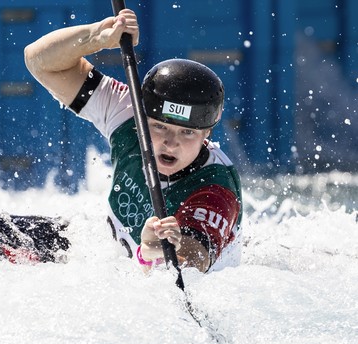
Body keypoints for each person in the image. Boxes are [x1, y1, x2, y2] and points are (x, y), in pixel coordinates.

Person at [24, 8, 242, 273]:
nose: (170, 143)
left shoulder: (217, 190)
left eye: (187, 133)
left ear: (207, 132)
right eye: (160, 127)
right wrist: (98, 38)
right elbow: (39, 61)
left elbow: (193, 263)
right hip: (100, 255)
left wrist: (152, 251)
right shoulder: (128, 111)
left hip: (143, 277)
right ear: (142, 117)